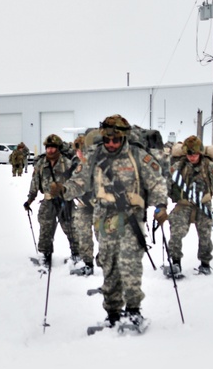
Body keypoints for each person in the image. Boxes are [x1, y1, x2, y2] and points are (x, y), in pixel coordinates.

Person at [62, 115, 168, 330]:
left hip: (131, 217)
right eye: (108, 140)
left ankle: (133, 312)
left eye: (116, 140)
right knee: (108, 265)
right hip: (104, 217)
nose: (111, 144)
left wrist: (161, 206)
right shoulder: (94, 155)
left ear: (123, 138)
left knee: (129, 263)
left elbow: (157, 182)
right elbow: (80, 180)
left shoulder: (138, 156)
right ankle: (112, 313)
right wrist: (64, 190)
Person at [164, 135, 213, 276]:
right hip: (184, 204)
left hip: (203, 203)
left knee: (205, 234)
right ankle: (175, 263)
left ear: (200, 153)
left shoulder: (209, 166)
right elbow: (166, 184)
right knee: (176, 231)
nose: (192, 157)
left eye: (195, 154)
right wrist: (161, 202)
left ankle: (205, 263)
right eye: (189, 154)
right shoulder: (178, 167)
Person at [24, 134, 77, 267]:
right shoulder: (41, 163)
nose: (50, 150)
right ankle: (45, 256)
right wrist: (30, 200)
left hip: (65, 201)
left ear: (58, 148)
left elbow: (77, 182)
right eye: (48, 148)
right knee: (45, 229)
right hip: (48, 202)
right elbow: (35, 182)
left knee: (72, 229)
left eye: (53, 148)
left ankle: (77, 256)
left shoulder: (67, 163)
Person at [68, 135, 95, 276]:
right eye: (78, 150)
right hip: (84, 204)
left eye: (83, 150)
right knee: (83, 233)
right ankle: (88, 263)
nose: (80, 153)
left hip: (101, 205)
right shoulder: (74, 164)